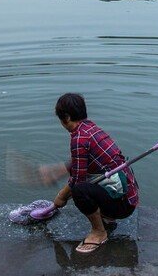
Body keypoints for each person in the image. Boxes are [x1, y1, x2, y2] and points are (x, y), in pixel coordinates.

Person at [41, 93, 139, 254]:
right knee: (81, 186)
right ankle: (107, 216)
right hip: (129, 196)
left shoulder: (79, 139)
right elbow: (82, 165)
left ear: (65, 118)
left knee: (79, 191)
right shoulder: (91, 128)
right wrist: (57, 173)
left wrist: (61, 197)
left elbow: (78, 181)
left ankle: (99, 232)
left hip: (123, 205)